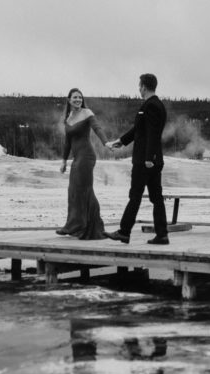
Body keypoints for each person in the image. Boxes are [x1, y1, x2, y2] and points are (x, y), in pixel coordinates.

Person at [105, 73, 169, 245]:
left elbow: (153, 133)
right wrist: (121, 141)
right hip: (152, 160)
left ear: (143, 86)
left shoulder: (152, 106)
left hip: (145, 161)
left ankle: (124, 232)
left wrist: (149, 158)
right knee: (156, 197)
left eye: (139, 85)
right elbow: (138, 130)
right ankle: (162, 235)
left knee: (135, 196)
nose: (138, 88)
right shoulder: (152, 105)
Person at [56, 88, 109, 239]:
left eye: (80, 97)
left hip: (87, 156)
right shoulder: (68, 118)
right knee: (73, 190)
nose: (78, 99)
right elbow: (68, 142)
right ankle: (76, 225)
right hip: (77, 157)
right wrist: (64, 161)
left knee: (84, 190)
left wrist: (106, 143)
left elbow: (97, 128)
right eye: (75, 97)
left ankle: (90, 226)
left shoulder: (87, 113)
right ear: (69, 100)